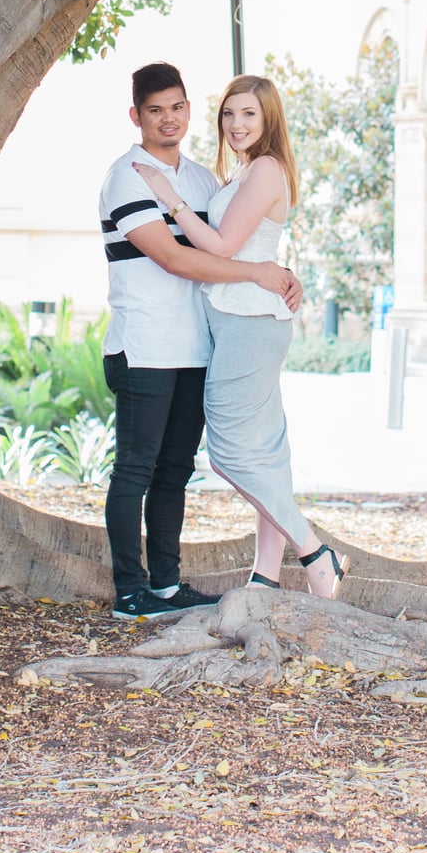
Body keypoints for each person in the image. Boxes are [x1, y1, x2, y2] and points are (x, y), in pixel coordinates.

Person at [99, 63, 304, 621]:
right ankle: (130, 591)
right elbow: (174, 257)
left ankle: (166, 584)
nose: (168, 118)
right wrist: (258, 272)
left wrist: (277, 270)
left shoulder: (199, 180)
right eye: (155, 109)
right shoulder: (129, 177)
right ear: (136, 115)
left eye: (177, 107)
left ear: (190, 111)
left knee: (175, 471)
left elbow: (230, 248)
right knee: (136, 471)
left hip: (198, 347)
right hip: (143, 345)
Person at [133, 74, 347, 599]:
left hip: (251, 322)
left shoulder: (267, 170)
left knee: (228, 453)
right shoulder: (246, 174)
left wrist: (168, 196)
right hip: (241, 317)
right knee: (268, 452)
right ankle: (265, 577)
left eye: (248, 114)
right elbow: (251, 248)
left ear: (268, 118)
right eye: (229, 114)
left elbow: (224, 247)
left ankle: (316, 553)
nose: (236, 124)